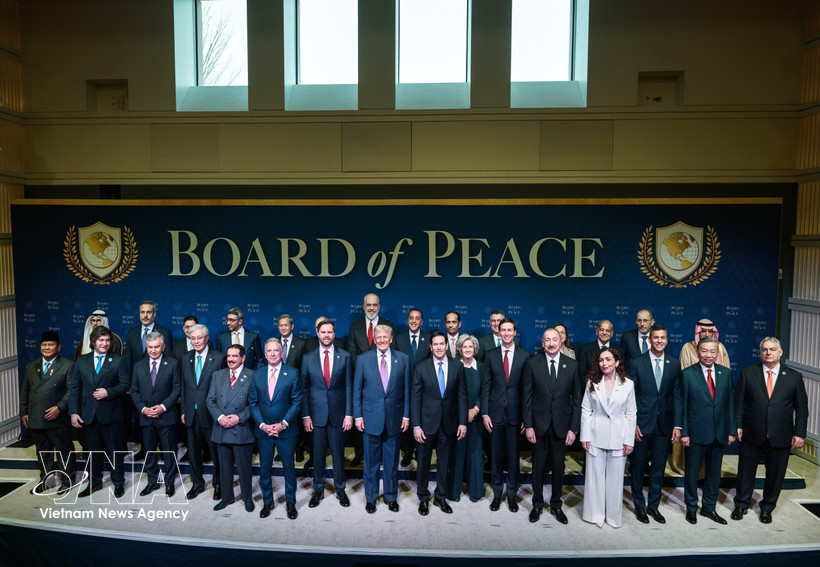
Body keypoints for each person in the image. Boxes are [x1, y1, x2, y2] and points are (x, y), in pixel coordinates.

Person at [732, 337, 808, 524]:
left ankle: (767, 508)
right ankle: (741, 505)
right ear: (760, 352)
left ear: (780, 352)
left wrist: (799, 433)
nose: (768, 353)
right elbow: (737, 403)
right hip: (751, 433)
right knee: (745, 472)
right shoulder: (748, 373)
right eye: (764, 349)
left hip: (781, 435)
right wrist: (737, 425)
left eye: (772, 349)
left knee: (775, 475)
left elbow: (802, 408)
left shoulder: (794, 377)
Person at [675, 336, 736, 525]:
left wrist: (732, 430)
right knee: (692, 473)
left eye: (712, 351)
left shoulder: (726, 373)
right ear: (697, 352)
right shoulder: (686, 374)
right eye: (704, 351)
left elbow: (730, 405)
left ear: (717, 353)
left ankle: (709, 508)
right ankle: (691, 508)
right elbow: (681, 405)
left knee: (714, 474)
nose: (708, 355)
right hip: (694, 434)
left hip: (719, 433)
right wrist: (683, 432)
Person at [522, 328, 581, 524]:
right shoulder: (532, 363)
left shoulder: (572, 365)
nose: (551, 343)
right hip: (538, 427)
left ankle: (556, 504)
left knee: (558, 468)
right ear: (543, 342)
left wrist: (573, 428)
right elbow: (527, 397)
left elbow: (577, 400)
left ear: (561, 341)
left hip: (561, 427)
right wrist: (528, 425)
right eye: (547, 340)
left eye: (554, 339)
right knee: (538, 468)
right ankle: (537, 504)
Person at [353, 325, 410, 513]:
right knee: (370, 463)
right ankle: (371, 498)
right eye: (379, 338)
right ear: (374, 340)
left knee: (392, 462)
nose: (382, 340)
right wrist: (358, 415)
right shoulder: (363, 360)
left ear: (391, 339)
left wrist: (406, 415)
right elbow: (356, 391)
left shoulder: (403, 360)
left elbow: (407, 391)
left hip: (394, 419)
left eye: (386, 337)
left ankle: (391, 497)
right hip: (370, 419)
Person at [69, 325, 130, 498]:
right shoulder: (82, 360)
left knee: (114, 452)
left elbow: (126, 384)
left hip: (112, 415)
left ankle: (118, 482)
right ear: (93, 342)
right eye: (101, 340)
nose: (104, 343)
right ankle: (94, 483)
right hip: (89, 416)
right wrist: (73, 412)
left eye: (107, 340)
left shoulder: (118, 359)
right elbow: (74, 388)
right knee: (91, 453)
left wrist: (108, 392)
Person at [412, 331, 468, 516]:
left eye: (441, 344)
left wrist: (462, 422)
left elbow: (462, 395)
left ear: (446, 345)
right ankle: (422, 498)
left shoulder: (457, 366)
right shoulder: (421, 367)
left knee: (444, 462)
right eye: (435, 344)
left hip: (449, 422)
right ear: (431, 347)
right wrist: (416, 425)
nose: (438, 347)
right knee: (424, 462)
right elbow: (415, 398)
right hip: (426, 423)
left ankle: (441, 497)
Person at [580, 347, 637, 528]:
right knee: (594, 479)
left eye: (608, 359)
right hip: (595, 436)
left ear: (617, 362)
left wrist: (629, 440)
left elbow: (631, 414)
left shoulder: (628, 384)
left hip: (619, 439)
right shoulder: (592, 381)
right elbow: (586, 409)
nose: (604, 363)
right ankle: (595, 515)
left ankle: (613, 517)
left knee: (615, 480)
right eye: (601, 360)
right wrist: (585, 435)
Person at [629, 325, 681, 524]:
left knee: (658, 468)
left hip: (664, 425)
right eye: (656, 337)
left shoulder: (674, 364)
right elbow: (630, 395)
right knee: (637, 466)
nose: (659, 341)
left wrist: (678, 425)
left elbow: (676, 396)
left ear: (667, 340)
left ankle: (653, 506)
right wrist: (632, 423)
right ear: (650, 340)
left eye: (663, 337)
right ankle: (639, 506)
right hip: (642, 423)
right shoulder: (636, 363)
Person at [301, 320, 353, 508]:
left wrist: (349, 414)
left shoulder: (345, 356)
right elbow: (304, 389)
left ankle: (340, 488)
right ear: (317, 333)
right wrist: (306, 415)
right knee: (318, 454)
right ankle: (318, 488)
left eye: (330, 332)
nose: (326, 335)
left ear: (334, 333)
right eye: (323, 332)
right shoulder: (308, 358)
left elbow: (349, 386)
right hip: (316, 415)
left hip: (338, 414)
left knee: (339, 454)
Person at [250, 339, 303, 520]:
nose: (272, 354)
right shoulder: (257, 374)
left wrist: (283, 424)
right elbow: (253, 403)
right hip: (263, 432)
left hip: (286, 431)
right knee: (265, 468)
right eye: (269, 351)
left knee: (289, 468)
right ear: (265, 354)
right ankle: (267, 501)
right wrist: (263, 425)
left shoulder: (293, 373)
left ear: (282, 353)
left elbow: (297, 402)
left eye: (276, 351)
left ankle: (290, 502)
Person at [481, 317, 529, 513]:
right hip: (495, 414)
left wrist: (526, 417)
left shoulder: (525, 356)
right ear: (499, 333)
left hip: (516, 416)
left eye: (510, 330)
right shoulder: (490, 355)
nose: (507, 333)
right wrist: (484, 413)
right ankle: (497, 495)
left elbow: (527, 390)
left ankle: (511, 496)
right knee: (496, 457)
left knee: (513, 458)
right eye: (504, 330)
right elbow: (486, 387)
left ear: (515, 332)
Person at [20, 331, 75, 495]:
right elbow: (25, 390)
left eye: (51, 345)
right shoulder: (32, 364)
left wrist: (59, 407)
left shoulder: (67, 365)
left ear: (58, 347)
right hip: (36, 416)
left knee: (64, 451)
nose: (47, 347)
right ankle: (47, 481)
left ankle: (67, 481)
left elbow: (72, 391)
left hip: (57, 417)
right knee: (43, 452)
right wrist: (23, 412)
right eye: (44, 345)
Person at [130, 331, 181, 497]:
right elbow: (134, 391)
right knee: (149, 452)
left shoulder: (173, 363)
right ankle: (152, 482)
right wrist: (144, 409)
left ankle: (169, 483)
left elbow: (177, 389)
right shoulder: (138, 365)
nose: (153, 350)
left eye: (157, 347)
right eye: (150, 347)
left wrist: (163, 407)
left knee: (168, 452)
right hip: (146, 417)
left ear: (163, 346)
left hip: (166, 416)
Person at [207, 344, 255, 512]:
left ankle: (248, 498)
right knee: (224, 467)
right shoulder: (217, 375)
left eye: (235, 356)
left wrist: (239, 418)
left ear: (243, 358)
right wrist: (220, 417)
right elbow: (210, 400)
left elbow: (255, 404)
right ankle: (227, 498)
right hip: (221, 428)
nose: (231, 359)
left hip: (241, 429)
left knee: (244, 468)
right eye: (228, 356)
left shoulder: (252, 375)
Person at [180, 324, 225, 501]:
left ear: (206, 338)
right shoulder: (186, 358)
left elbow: (222, 389)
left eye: (200, 338)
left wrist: (219, 413)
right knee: (193, 452)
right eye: (193, 338)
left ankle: (218, 484)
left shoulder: (219, 358)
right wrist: (184, 410)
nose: (196, 341)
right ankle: (197, 483)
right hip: (191, 413)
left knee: (216, 453)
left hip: (211, 414)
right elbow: (185, 387)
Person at [123, 301, 173, 460]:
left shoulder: (164, 332)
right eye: (142, 312)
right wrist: (130, 385)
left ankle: (163, 450)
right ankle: (146, 449)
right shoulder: (132, 333)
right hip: (141, 385)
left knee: (162, 421)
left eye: (149, 312)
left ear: (154, 314)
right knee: (143, 421)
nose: (145, 315)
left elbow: (169, 360)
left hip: (161, 385)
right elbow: (129, 360)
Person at [449, 334, 484, 503]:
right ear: (460, 349)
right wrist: (463, 414)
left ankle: (475, 492)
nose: (468, 349)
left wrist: (475, 409)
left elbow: (486, 391)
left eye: (470, 347)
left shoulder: (482, 368)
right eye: (464, 347)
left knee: (475, 455)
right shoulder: (454, 366)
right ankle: (454, 492)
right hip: (458, 419)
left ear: (475, 349)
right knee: (457, 455)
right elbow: (450, 394)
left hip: (476, 419)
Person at [395, 308, 431, 466]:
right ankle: (407, 451)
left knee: (422, 421)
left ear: (422, 322)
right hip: (404, 388)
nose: (414, 321)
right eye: (411, 318)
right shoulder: (399, 338)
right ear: (407, 320)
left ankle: (422, 451)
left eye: (417, 318)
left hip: (425, 389)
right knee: (406, 422)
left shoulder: (428, 338)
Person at [348, 293, 395, 366]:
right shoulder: (355, 326)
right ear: (364, 306)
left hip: (381, 371)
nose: (371, 308)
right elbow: (352, 351)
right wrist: (361, 367)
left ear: (379, 306)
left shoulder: (388, 325)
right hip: (360, 370)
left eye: (374, 305)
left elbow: (391, 350)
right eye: (368, 305)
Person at [577, 320, 621, 386]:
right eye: (601, 330)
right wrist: (590, 388)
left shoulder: (619, 351)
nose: (604, 333)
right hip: (591, 389)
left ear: (612, 334)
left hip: (613, 390)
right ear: (597, 332)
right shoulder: (585, 349)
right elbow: (582, 374)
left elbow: (620, 372)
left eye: (608, 330)